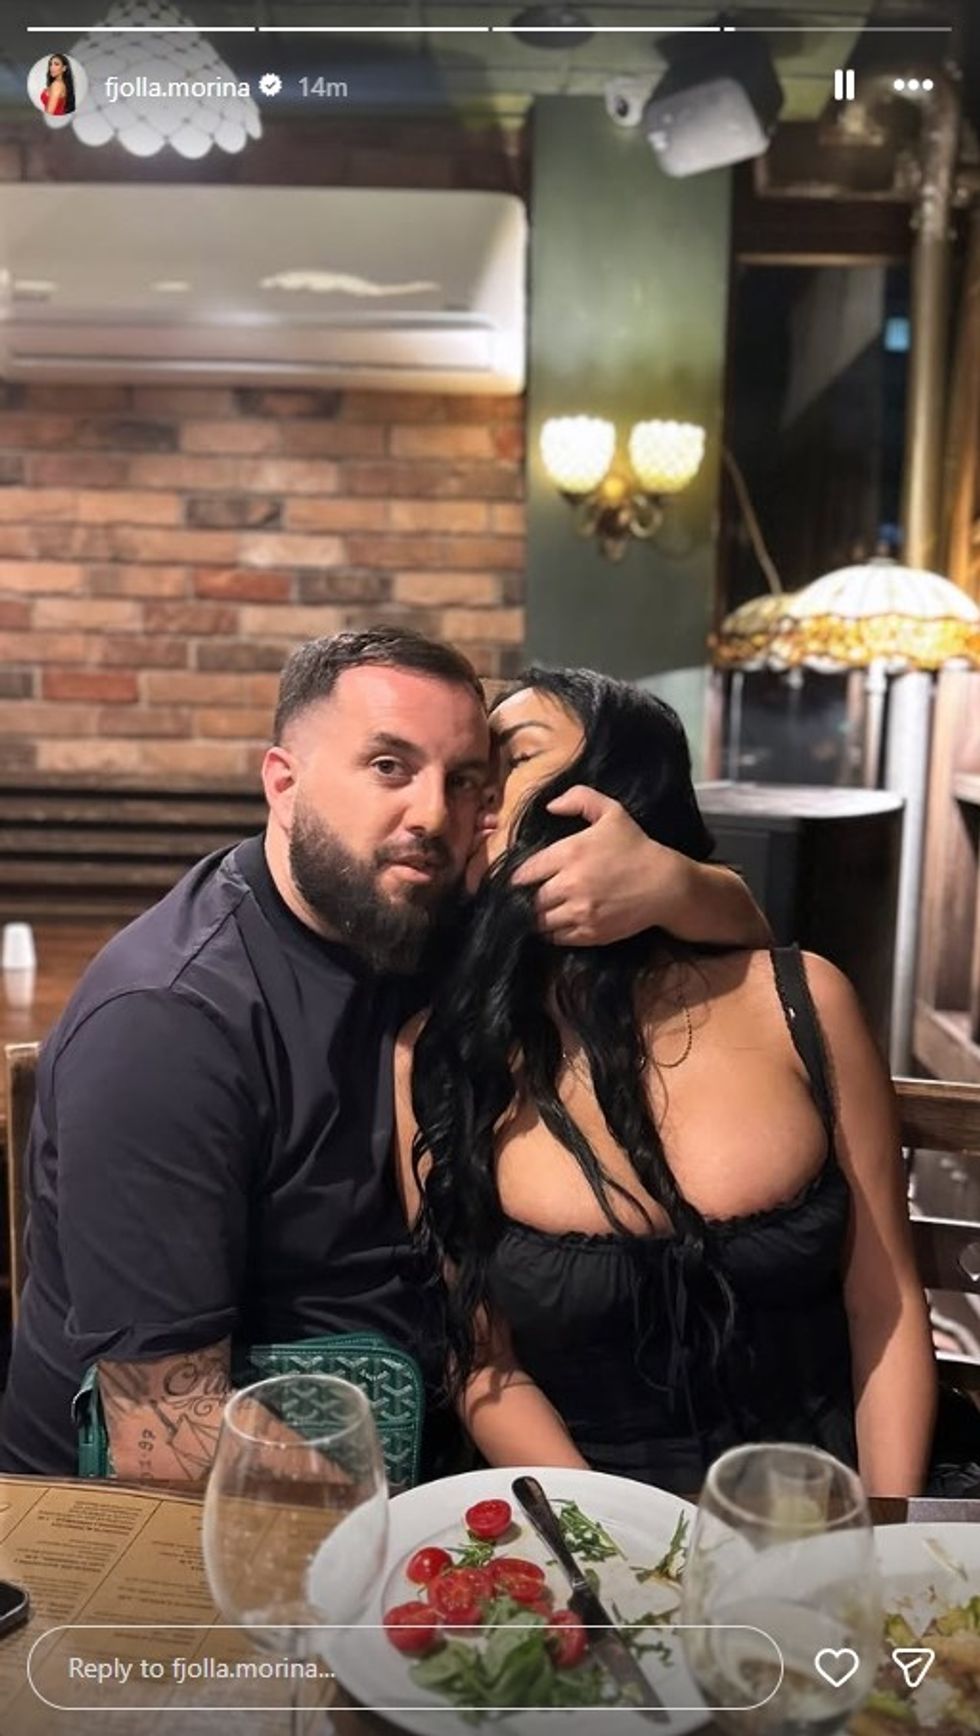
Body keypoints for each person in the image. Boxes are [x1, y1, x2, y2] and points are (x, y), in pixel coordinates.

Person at [0, 629, 770, 1482]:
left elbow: (759, 958)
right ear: (284, 784)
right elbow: (165, 1433)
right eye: (389, 767)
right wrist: (396, 1526)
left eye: (465, 779)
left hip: (432, 1432)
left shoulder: (428, 913)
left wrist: (679, 886)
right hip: (209, 1501)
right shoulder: (168, 1024)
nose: (433, 815)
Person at [397, 665, 939, 1497]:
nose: (481, 793)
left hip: (823, 1496)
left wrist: (878, 1531)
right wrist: (621, 1541)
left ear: (619, 784)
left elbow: (886, 1307)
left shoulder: (802, 1000)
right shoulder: (439, 1054)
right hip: (591, 1516)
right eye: (475, 774)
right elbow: (484, 1365)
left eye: (518, 756)